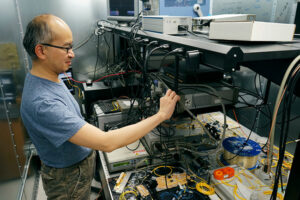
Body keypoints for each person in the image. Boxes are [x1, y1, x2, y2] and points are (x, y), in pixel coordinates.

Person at [20, 14, 180, 199]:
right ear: (41, 51)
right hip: (68, 179)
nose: (72, 54)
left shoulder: (45, 76)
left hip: (75, 168)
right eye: (66, 48)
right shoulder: (43, 103)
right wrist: (160, 115)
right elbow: (107, 143)